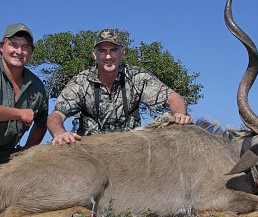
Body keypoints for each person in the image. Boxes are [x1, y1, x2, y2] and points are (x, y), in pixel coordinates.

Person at [47, 29, 192, 145]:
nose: (108, 56)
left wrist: (179, 114)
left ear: (122, 52)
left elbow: (173, 97)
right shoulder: (80, 82)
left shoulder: (137, 77)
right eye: (102, 51)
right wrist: (60, 133)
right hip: (91, 151)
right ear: (94, 55)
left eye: (113, 50)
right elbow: (56, 116)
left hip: (131, 151)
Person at [0, 23, 48, 163]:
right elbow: (25, 115)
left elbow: (42, 123)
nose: (19, 51)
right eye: (13, 44)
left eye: (25, 46)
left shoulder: (38, 87)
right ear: (2, 47)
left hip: (7, 155)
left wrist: (27, 151)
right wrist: (20, 114)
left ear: (31, 51)